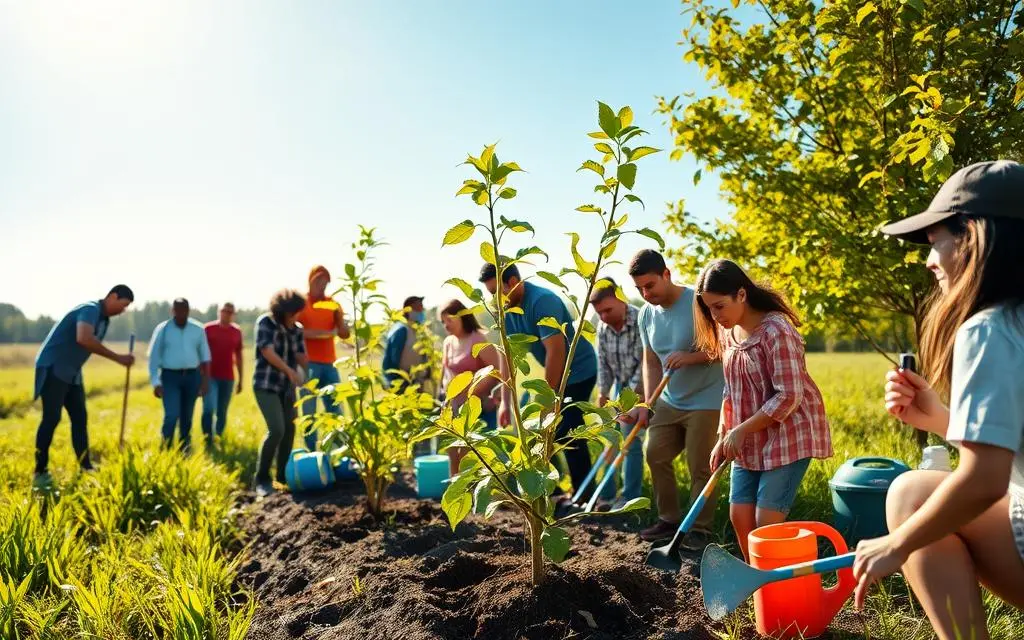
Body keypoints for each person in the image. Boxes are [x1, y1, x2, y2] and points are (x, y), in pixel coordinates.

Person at [851, 160, 1024, 639]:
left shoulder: (990, 328)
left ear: (971, 237)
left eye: (934, 243)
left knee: (909, 494)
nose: (929, 262)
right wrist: (940, 419)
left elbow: (985, 479)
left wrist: (897, 544)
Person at [694, 259, 833, 562]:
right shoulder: (728, 334)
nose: (715, 317)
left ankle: (781, 583)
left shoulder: (776, 331)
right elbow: (731, 391)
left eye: (719, 307)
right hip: (747, 436)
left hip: (789, 434)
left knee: (765, 522)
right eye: (709, 310)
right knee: (740, 517)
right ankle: (759, 582)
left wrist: (739, 430)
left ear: (741, 295)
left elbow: (789, 396)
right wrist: (723, 434)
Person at [624, 249, 725, 547]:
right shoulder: (646, 314)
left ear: (666, 274)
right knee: (654, 454)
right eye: (639, 288)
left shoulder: (698, 303)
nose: (646, 293)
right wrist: (646, 405)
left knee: (700, 467)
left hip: (707, 399)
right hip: (671, 399)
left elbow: (723, 349)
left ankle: (698, 530)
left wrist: (690, 357)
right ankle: (669, 520)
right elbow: (651, 361)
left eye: (650, 285)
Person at [478, 262, 599, 505]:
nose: (494, 299)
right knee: (540, 430)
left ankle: (586, 497)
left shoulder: (543, 301)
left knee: (567, 431)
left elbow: (556, 352)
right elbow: (506, 355)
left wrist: (548, 400)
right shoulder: (507, 308)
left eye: (495, 292)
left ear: (512, 283)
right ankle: (553, 494)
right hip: (555, 372)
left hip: (579, 371)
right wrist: (505, 400)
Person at [32, 285, 135, 486]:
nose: (122, 312)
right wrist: (118, 358)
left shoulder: (103, 319)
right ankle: (40, 469)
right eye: (122, 306)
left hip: (72, 372)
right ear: (112, 296)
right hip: (54, 367)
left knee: (80, 418)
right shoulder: (90, 310)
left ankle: (86, 466)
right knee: (51, 418)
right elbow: (84, 339)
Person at [592, 277, 645, 508]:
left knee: (630, 442)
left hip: (639, 386)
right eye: (599, 313)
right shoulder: (602, 328)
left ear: (621, 300)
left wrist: (630, 402)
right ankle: (606, 495)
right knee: (609, 439)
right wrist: (603, 392)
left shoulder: (640, 321)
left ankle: (629, 497)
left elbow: (644, 365)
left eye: (607, 310)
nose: (604, 317)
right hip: (615, 387)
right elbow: (603, 362)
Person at [252, 289, 308, 497]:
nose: (297, 316)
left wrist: (306, 372)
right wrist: (289, 370)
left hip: (287, 388)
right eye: (294, 312)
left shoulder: (297, 329)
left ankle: (282, 477)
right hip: (266, 384)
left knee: (290, 430)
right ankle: (261, 479)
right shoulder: (265, 323)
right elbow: (267, 351)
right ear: (283, 310)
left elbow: (301, 355)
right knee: (276, 429)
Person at [438, 299, 501, 475]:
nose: (446, 325)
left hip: (476, 407)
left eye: (449, 320)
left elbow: (495, 371)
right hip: (453, 407)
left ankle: (474, 497)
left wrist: (473, 393)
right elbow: (444, 373)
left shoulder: (478, 339)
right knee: (452, 450)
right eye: (443, 322)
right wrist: (443, 398)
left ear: (462, 317)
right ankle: (454, 497)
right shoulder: (448, 342)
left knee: (469, 455)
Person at [297, 265, 350, 449]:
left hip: (330, 364)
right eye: (318, 281)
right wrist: (327, 333)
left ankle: (339, 450)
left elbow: (344, 333)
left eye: (325, 282)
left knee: (335, 409)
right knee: (309, 411)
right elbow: (298, 332)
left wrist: (341, 324)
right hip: (308, 364)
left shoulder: (332, 304)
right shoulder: (301, 304)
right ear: (310, 281)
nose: (322, 286)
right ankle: (312, 451)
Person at [148, 298, 211, 453]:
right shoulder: (163, 329)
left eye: (184, 310)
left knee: (187, 417)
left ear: (188, 310)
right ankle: (165, 449)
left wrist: (205, 382)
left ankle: (184, 448)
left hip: (192, 377)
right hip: (170, 377)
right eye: (178, 310)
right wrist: (155, 382)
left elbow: (205, 357)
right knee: (171, 414)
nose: (181, 313)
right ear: (172, 311)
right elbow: (154, 357)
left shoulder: (198, 329)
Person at [201, 302, 243, 450]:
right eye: (225, 311)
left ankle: (217, 436)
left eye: (230, 312)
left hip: (228, 378)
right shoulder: (208, 329)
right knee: (208, 408)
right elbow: (201, 352)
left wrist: (241, 380)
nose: (227, 314)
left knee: (222, 411)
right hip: (209, 376)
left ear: (234, 314)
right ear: (219, 312)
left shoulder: (237, 331)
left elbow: (239, 356)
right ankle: (208, 439)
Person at [382, 295, 428, 392]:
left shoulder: (418, 330)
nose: (421, 311)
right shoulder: (401, 330)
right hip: (401, 382)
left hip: (415, 381)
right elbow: (394, 360)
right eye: (418, 308)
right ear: (408, 310)